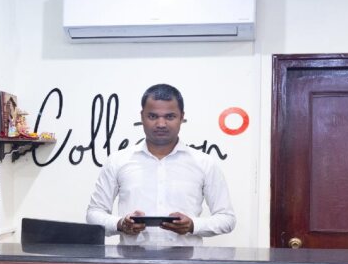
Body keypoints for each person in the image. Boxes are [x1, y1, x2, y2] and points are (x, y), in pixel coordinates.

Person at [86, 83, 236, 246]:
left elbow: (227, 219)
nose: (161, 124)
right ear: (142, 116)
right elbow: (94, 214)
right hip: (131, 260)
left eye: (170, 117)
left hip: (186, 261)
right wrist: (120, 224)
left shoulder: (204, 163)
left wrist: (193, 225)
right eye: (153, 116)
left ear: (182, 117)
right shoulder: (117, 161)